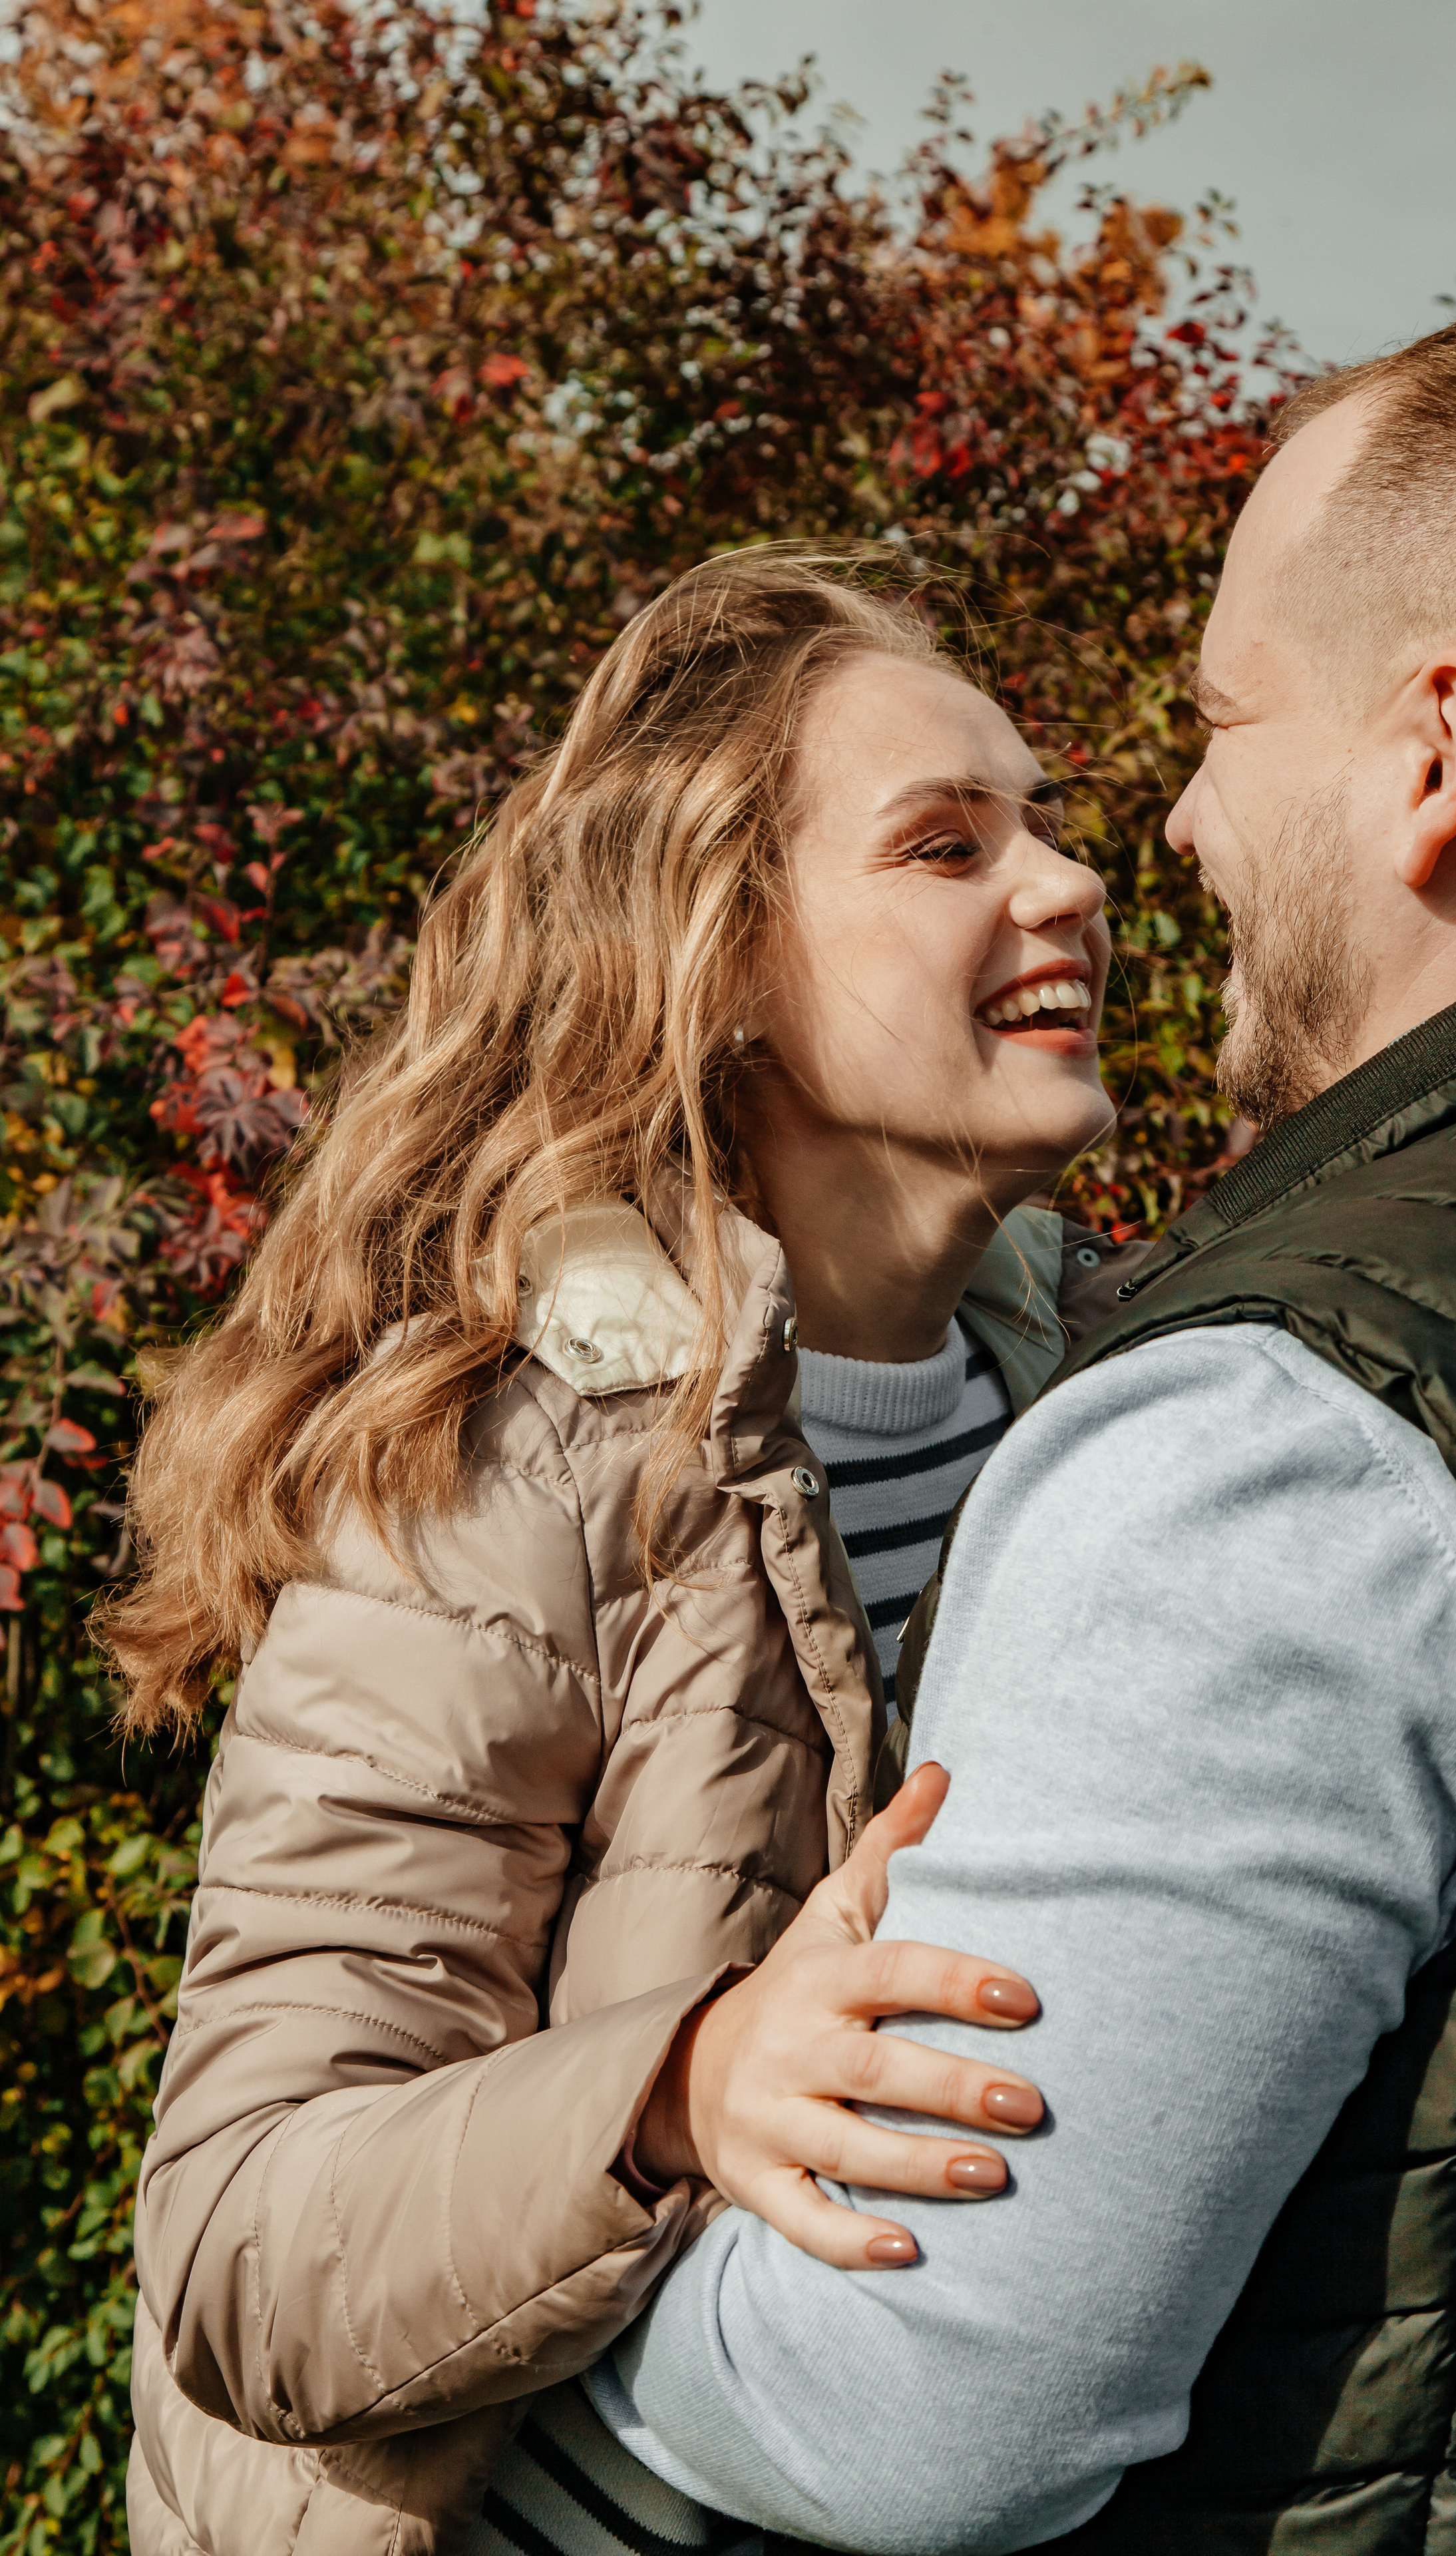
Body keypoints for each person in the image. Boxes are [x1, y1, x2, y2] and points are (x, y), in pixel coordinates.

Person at [569, 303, 1456, 2556]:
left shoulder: (1276, 1442)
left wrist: (550, 2268)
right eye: (943, 838)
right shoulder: (508, 1462)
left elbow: (922, 2412)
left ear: (1437, 749)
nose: (1145, 840)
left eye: (1205, 724)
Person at [112, 551, 1146, 2556]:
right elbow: (239, 2244)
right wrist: (679, 2086)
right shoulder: (515, 1470)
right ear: (723, 962)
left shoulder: (1112, 1395)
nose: (1068, 883)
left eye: (1048, 816)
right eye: (945, 845)